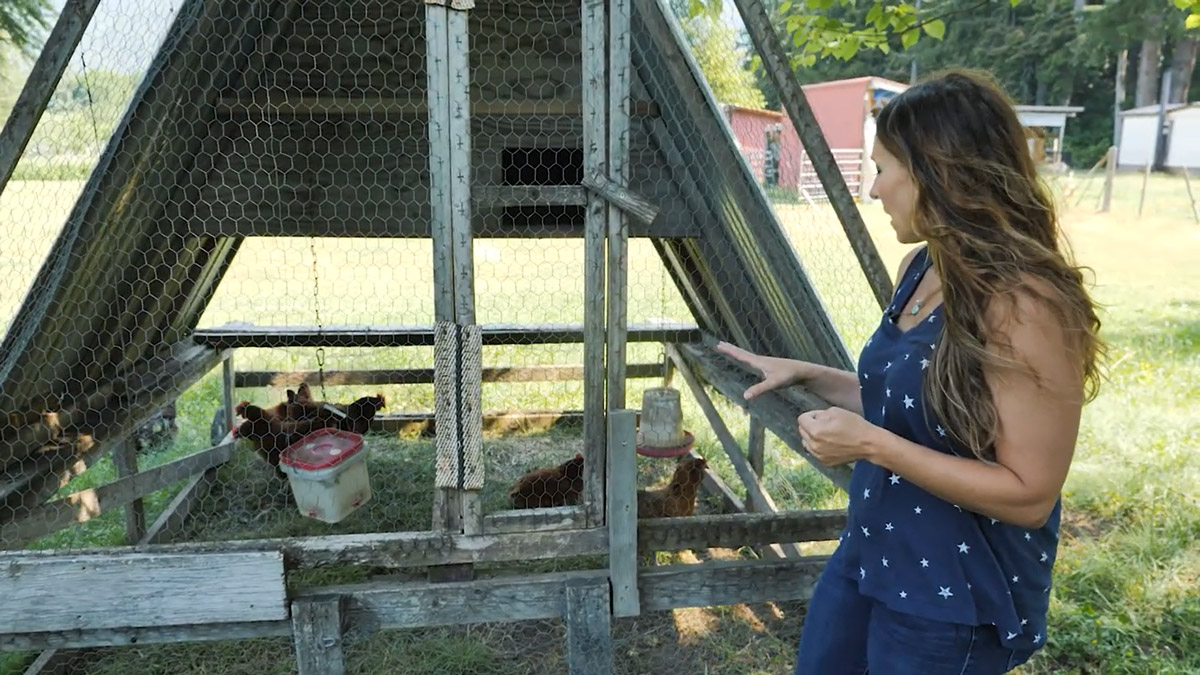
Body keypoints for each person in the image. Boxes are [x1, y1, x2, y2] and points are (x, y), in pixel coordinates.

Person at [717, 69, 1106, 674]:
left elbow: (1030, 495)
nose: (874, 190)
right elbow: (916, 406)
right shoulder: (921, 269)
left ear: (936, 173)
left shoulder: (1026, 304)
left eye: (882, 169)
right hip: (875, 551)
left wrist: (874, 446)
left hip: (956, 593)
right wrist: (810, 374)